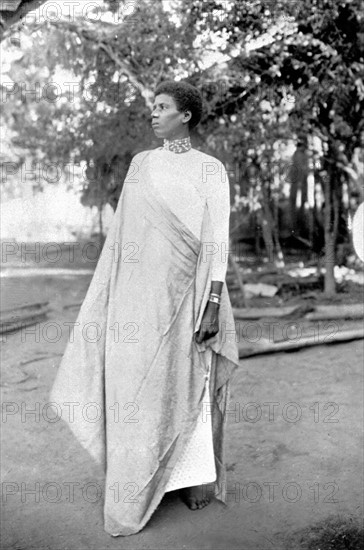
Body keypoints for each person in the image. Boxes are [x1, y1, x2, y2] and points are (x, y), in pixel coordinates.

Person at [50, 80, 239, 537]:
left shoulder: (210, 170)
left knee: (189, 376)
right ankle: (137, 478)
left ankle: (194, 477)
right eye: (152, 107)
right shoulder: (141, 164)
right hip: (139, 295)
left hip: (189, 291)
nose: (153, 114)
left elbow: (216, 239)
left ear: (186, 116)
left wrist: (212, 302)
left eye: (162, 107)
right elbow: (123, 241)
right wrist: (115, 292)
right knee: (136, 382)